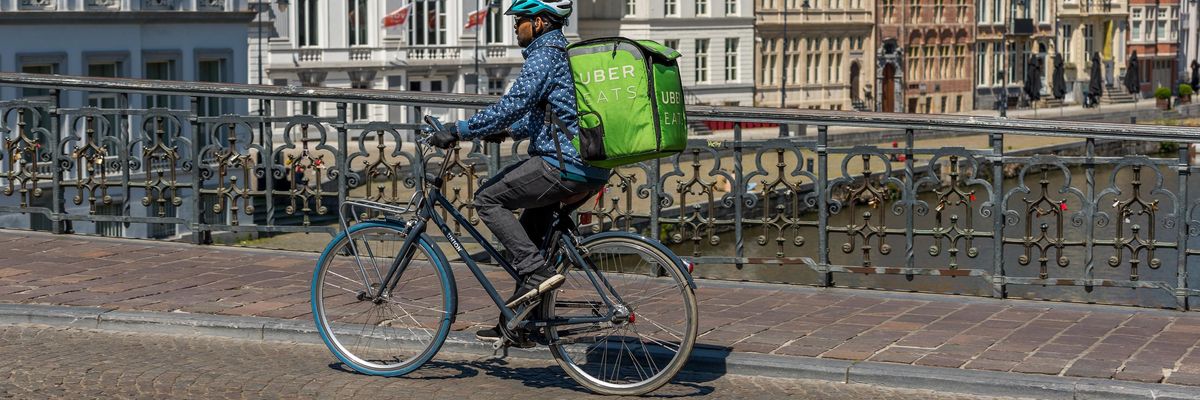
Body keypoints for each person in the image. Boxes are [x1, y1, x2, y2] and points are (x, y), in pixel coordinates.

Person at [424, 0, 610, 343]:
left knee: (487, 199)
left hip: (563, 165)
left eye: (520, 20)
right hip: (589, 165)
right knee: (530, 242)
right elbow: (547, 115)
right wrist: (506, 132)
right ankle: (521, 325)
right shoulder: (562, 53)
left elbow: (514, 104)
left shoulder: (546, 54)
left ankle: (538, 274)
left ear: (539, 22)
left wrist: (461, 129)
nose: (514, 27)